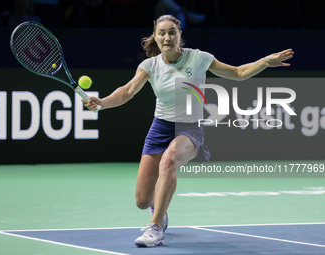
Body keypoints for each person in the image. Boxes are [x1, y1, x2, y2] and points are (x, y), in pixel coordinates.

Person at [82, 14, 294, 247]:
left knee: (169, 160)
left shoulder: (199, 58)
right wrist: (102, 102)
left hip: (189, 129)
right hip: (160, 128)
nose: (167, 37)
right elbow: (127, 91)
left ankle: (155, 228)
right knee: (142, 200)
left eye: (172, 32)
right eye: (161, 32)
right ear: (155, 36)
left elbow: (237, 73)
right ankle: (157, 207)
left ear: (179, 35)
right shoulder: (150, 66)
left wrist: (264, 61)